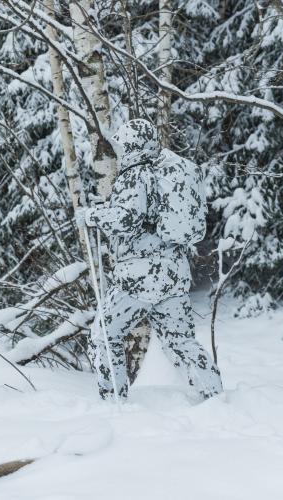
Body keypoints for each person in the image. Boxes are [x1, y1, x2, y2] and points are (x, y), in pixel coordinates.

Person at [76, 119, 222, 401]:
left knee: (104, 334)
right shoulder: (161, 173)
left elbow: (127, 218)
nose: (119, 150)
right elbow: (144, 215)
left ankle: (113, 401)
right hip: (173, 274)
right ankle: (214, 396)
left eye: (122, 144)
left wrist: (92, 216)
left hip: (141, 277)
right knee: (180, 341)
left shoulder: (135, 175)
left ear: (132, 146)